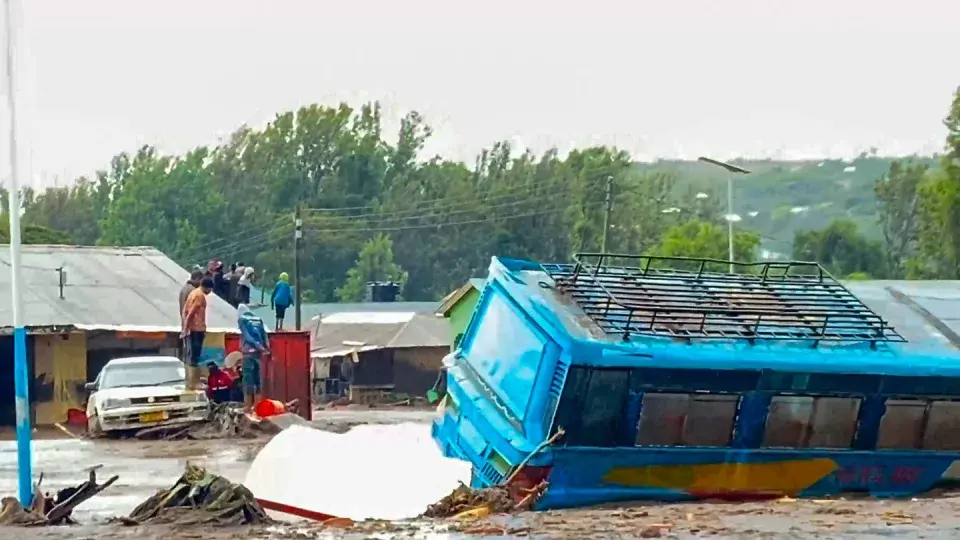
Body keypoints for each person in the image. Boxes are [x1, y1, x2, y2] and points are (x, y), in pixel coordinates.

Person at [182, 277, 214, 390]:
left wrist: (185, 328)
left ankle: (191, 381)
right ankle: (194, 382)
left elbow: (185, 311)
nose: (210, 292)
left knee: (191, 356)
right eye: (210, 289)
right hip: (196, 329)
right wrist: (185, 329)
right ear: (207, 287)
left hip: (193, 329)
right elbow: (191, 313)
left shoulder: (192, 293)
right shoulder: (200, 296)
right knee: (195, 357)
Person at [237, 303, 270, 409]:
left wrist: (257, 346)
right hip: (258, 355)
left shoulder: (242, 319)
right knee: (257, 380)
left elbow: (247, 337)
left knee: (248, 380)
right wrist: (265, 348)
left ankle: (248, 407)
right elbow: (265, 335)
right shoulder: (258, 319)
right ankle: (257, 407)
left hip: (248, 353)